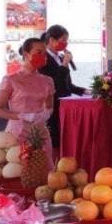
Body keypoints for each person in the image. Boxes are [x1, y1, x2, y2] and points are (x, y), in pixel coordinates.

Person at [0, 38, 55, 166]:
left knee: (43, 168)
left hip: (40, 131)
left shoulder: (47, 81)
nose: (42, 56)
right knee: (17, 168)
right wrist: (22, 115)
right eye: (38, 53)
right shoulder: (10, 80)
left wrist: (45, 114)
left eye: (44, 54)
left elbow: (49, 106)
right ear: (26, 54)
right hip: (17, 132)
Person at [39, 24, 88, 155]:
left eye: (67, 40)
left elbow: (68, 85)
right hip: (52, 105)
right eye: (63, 40)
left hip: (65, 106)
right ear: (52, 40)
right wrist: (65, 64)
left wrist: (85, 92)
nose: (65, 43)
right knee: (54, 141)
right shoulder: (43, 59)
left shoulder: (61, 57)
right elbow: (54, 85)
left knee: (64, 141)